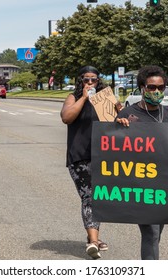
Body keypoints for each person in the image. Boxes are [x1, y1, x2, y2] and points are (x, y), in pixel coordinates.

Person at [115, 65, 168, 260]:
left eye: (161, 88)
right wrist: (118, 128)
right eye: (152, 87)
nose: (156, 92)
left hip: (164, 184)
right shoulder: (128, 115)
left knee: (156, 233)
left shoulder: (167, 114)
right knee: (151, 233)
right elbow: (113, 150)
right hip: (141, 185)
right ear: (142, 88)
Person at [60, 66, 109, 259]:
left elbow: (115, 121)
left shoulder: (104, 98)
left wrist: (120, 114)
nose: (90, 83)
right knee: (89, 196)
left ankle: (93, 237)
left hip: (102, 155)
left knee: (98, 197)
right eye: (86, 80)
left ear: (99, 81)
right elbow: (66, 117)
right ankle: (94, 242)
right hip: (79, 156)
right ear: (80, 81)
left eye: (94, 80)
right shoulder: (73, 98)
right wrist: (83, 97)